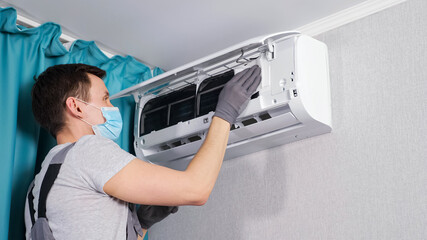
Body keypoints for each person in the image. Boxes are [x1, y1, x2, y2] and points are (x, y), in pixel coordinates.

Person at [25, 63, 261, 239]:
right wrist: (225, 113)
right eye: (105, 99)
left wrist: (141, 224)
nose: (112, 107)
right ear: (76, 106)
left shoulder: (37, 188)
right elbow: (196, 189)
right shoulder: (87, 151)